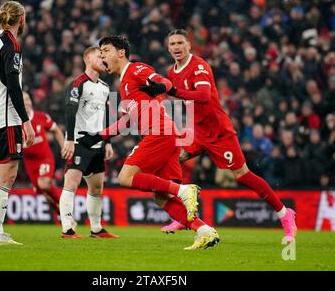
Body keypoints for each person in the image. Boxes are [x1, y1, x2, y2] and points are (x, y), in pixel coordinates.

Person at [140, 29, 297, 242]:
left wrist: (173, 92)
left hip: (218, 132)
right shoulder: (172, 72)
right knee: (172, 162)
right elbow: (178, 98)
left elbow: (203, 96)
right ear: (168, 48)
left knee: (243, 176)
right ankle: (185, 215)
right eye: (172, 44)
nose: (176, 47)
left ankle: (284, 213)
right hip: (196, 130)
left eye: (180, 43)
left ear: (189, 45)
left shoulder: (199, 66)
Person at [78, 36, 219, 250]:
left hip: (159, 133)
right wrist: (99, 136)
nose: (102, 55)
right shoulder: (124, 84)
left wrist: (159, 87)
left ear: (121, 53)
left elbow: (164, 82)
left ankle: (183, 190)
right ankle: (204, 231)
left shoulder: (135, 69)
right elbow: (125, 121)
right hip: (165, 135)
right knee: (161, 197)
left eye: (105, 50)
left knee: (125, 177)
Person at [0, 1, 35, 245]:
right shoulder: (11, 45)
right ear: (21, 19)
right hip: (5, 118)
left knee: (0, 174)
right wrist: (26, 121)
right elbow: (13, 85)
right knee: (7, 173)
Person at [59, 46, 118, 238]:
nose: (102, 58)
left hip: (98, 144)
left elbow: (107, 116)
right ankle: (67, 228)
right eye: (98, 55)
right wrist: (69, 139)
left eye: (103, 55)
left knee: (97, 187)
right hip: (79, 142)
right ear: (87, 59)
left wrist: (107, 142)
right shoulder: (78, 83)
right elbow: (69, 109)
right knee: (72, 183)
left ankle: (96, 228)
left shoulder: (104, 87)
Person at [22, 91, 64, 213]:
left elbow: (56, 130)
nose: (26, 102)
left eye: (28, 99)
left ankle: (65, 209)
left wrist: (64, 147)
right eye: (23, 100)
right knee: (44, 193)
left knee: (44, 184)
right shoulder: (15, 123)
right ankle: (62, 213)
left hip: (45, 157)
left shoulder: (41, 117)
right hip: (30, 163)